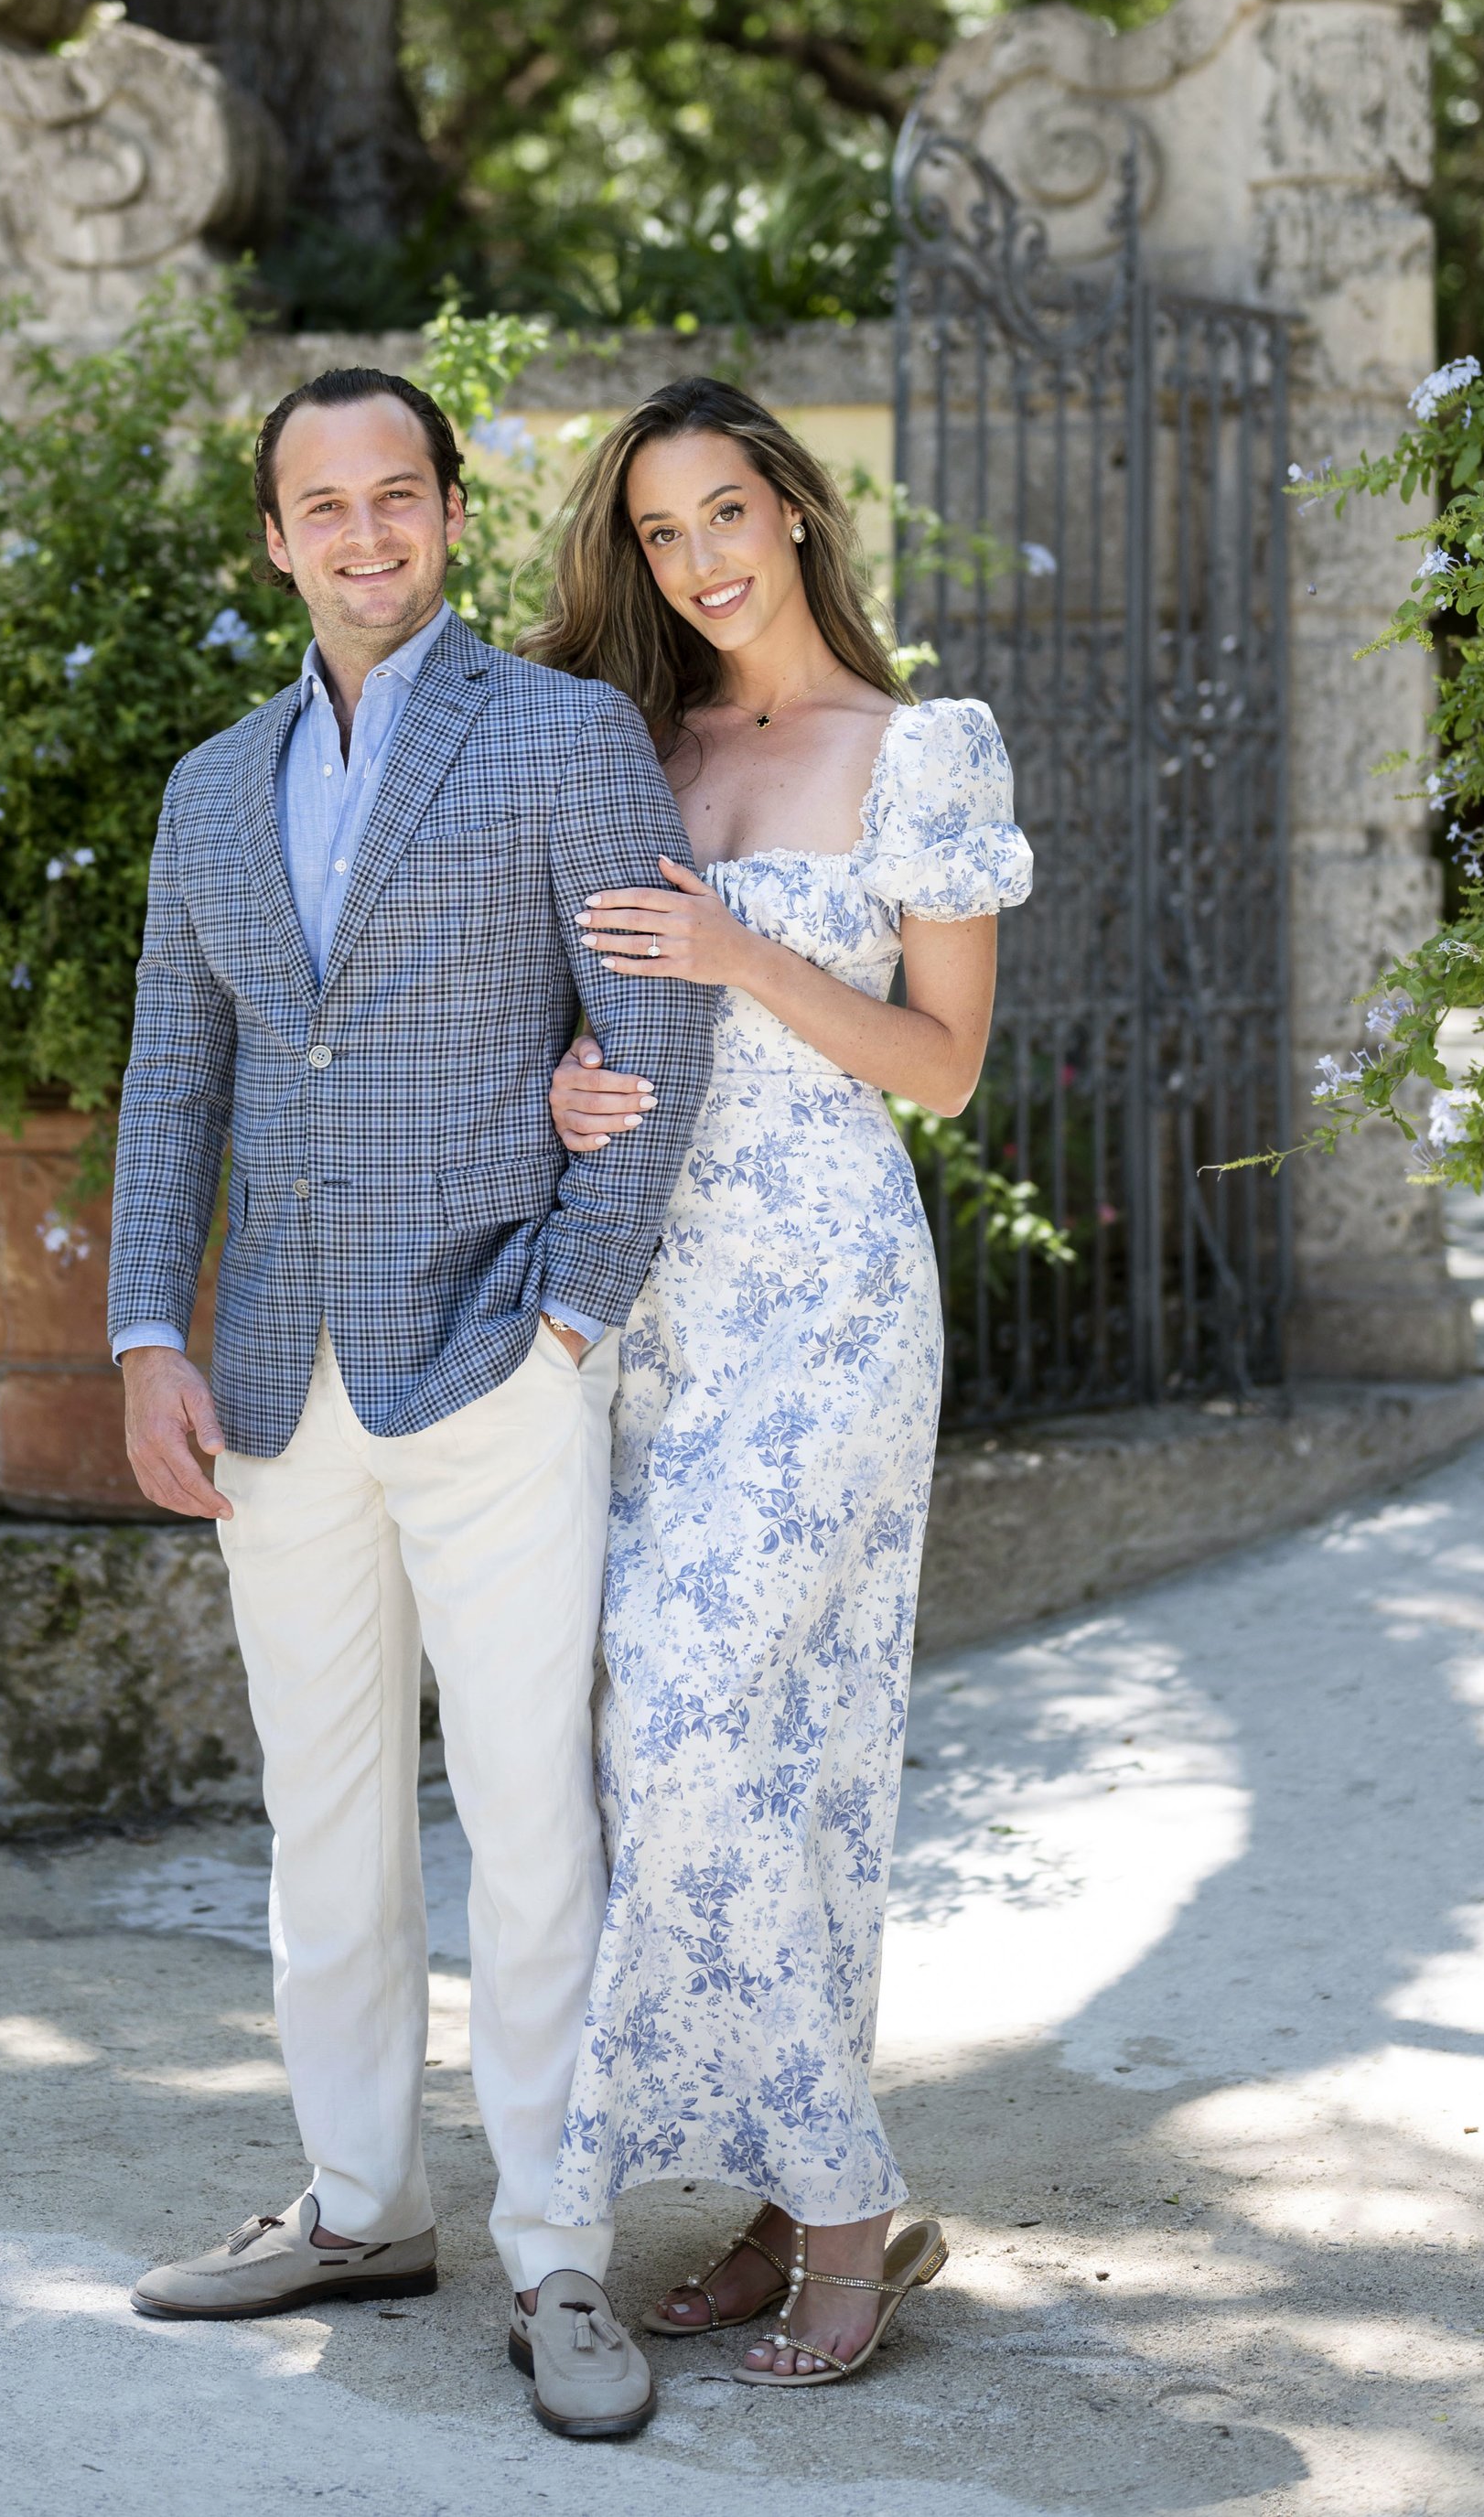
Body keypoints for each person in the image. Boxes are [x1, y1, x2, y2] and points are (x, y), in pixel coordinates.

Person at [108, 365, 716, 2444]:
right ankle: (362, 2200)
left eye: (397, 496)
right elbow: (170, 1085)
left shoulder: (561, 738)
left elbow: (650, 1036)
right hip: (273, 1387)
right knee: (323, 1822)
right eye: (319, 505)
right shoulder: (208, 789)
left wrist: (567, 1314)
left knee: (534, 1823)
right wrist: (141, 1336)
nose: (362, 533)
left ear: (449, 515)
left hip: (490, 1365)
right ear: (271, 540)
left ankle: (555, 2246)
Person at [523, 374, 1030, 2393]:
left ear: (796, 514)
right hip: (649, 1305)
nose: (697, 557)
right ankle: (770, 2185)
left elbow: (939, 1063)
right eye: (657, 532)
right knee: (756, 1754)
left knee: (694, 1706)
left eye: (723, 511)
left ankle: (839, 2210)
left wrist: (739, 956)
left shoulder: (917, 749)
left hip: (824, 1302)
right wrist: (562, 1084)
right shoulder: (629, 744)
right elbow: (574, 1007)